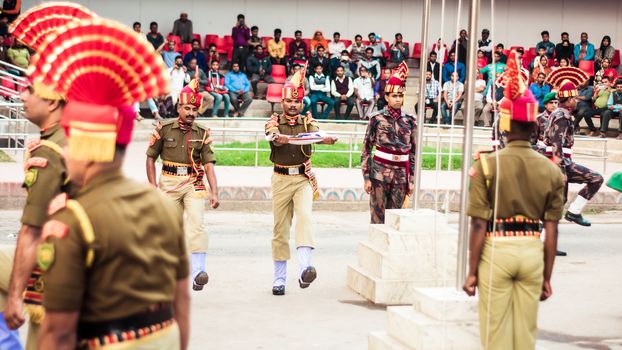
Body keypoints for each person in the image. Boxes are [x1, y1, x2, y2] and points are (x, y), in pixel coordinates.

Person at [32, 19, 189, 350]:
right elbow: (181, 303)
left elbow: (58, 333)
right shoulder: (162, 205)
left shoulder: (73, 220)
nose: (65, 152)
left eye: (70, 143)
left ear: (86, 148)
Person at [463, 50, 564, 350]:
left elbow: (479, 224)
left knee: (495, 335)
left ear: (505, 125)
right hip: (532, 250)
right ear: (535, 127)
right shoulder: (551, 171)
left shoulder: (486, 164)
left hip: (497, 251)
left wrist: (471, 272)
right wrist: (547, 276)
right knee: (524, 337)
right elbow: (552, 230)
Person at [264, 65, 338, 295]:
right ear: (282, 101)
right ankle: (279, 279)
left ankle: (305, 268)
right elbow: (273, 138)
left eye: (297, 101)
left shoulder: (308, 122)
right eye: (289, 101)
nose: (293, 105)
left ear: (302, 102)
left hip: (303, 178)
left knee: (305, 218)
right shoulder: (274, 121)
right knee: (280, 229)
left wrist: (324, 139)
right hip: (281, 178)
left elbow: (316, 134)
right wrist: (280, 139)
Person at [147, 78, 219, 295]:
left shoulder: (202, 132)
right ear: (179, 107)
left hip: (193, 182)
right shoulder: (164, 128)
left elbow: (208, 165)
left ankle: (198, 272)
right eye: (187, 108)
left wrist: (214, 191)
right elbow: (150, 158)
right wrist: (152, 186)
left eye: (194, 109)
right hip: (168, 182)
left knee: (197, 224)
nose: (191, 112)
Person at [545, 69, 604, 226]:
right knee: (596, 178)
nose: (577, 100)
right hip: (559, 163)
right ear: (570, 99)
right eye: (575, 98)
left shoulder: (559, 114)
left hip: (561, 162)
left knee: (559, 201)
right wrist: (560, 170)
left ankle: (547, 240)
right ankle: (573, 213)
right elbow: (555, 142)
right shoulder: (561, 115)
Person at [361, 62, 416, 224]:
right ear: (386, 97)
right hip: (379, 174)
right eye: (394, 96)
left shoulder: (410, 121)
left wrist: (411, 180)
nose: (398, 99)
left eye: (400, 96)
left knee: (396, 218)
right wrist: (366, 178)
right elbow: (366, 149)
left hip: (401, 176)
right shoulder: (376, 118)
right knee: (377, 217)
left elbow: (413, 153)